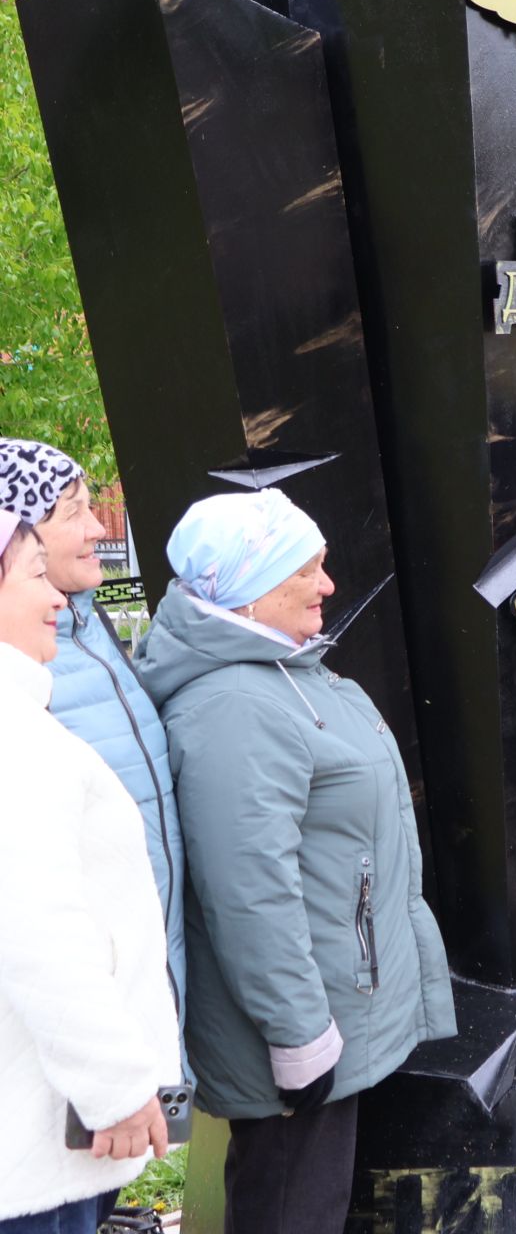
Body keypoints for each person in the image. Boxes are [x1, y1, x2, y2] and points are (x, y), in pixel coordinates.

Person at [134, 489, 455, 1234]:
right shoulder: (234, 706)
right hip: (298, 1038)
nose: (328, 584)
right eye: (306, 569)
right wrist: (301, 1035)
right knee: (288, 1213)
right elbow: (249, 892)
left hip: (336, 1006)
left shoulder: (282, 674)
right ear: (249, 591)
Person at [0, 512, 181, 1233]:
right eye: (36, 575)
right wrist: (115, 1089)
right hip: (35, 1149)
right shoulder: (14, 742)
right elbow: (38, 928)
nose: (57, 599)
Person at [0, 440, 188, 1078]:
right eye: (72, 513)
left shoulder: (87, 625)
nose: (95, 528)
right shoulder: (24, 666)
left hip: (148, 972)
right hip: (79, 1021)